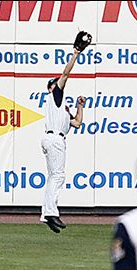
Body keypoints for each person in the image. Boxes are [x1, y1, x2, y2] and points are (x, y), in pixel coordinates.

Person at [40, 31, 92, 233]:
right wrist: (76, 53)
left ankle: (47, 214)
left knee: (54, 176)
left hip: (52, 138)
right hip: (54, 140)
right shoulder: (55, 95)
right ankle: (51, 213)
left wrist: (80, 106)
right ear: (51, 88)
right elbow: (65, 74)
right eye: (56, 83)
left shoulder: (61, 108)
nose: (59, 83)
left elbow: (78, 123)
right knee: (58, 176)